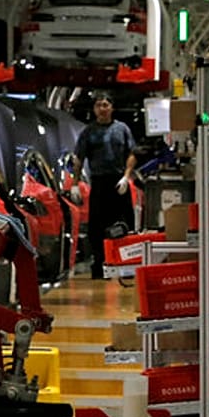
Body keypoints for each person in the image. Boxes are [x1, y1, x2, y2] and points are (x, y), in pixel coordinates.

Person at [73, 92, 137, 279]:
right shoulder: (88, 132)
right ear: (94, 109)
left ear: (112, 108)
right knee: (97, 226)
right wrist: (75, 184)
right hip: (99, 183)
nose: (102, 108)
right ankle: (100, 263)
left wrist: (126, 177)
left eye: (105, 105)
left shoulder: (122, 129)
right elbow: (79, 158)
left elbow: (131, 153)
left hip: (118, 182)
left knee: (124, 222)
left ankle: (126, 262)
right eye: (99, 105)